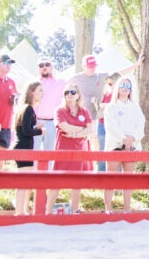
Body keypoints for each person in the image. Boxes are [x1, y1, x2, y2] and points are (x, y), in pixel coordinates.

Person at [102, 77, 144, 213]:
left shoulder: (135, 107)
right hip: (115, 145)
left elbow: (140, 125)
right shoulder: (111, 107)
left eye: (128, 85)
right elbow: (111, 126)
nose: (125, 88)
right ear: (117, 88)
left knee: (128, 178)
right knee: (111, 178)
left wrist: (132, 139)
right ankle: (108, 209)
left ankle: (127, 208)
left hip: (131, 146)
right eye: (122, 85)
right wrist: (123, 139)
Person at [52, 81, 94, 214]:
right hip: (63, 149)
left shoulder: (84, 111)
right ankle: (47, 211)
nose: (69, 95)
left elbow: (91, 129)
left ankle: (74, 210)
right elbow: (64, 127)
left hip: (80, 150)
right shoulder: (60, 110)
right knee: (57, 181)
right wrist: (82, 129)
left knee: (77, 182)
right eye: (66, 92)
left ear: (78, 95)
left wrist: (75, 134)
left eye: (72, 92)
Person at [12, 81, 44, 216]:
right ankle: (19, 212)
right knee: (22, 183)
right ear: (32, 93)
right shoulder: (28, 108)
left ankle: (23, 210)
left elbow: (24, 129)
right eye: (40, 91)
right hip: (23, 147)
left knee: (25, 182)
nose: (42, 94)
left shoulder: (25, 108)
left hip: (25, 146)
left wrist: (36, 129)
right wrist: (40, 132)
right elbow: (26, 131)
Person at [0, 53, 19, 153]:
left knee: (1, 157)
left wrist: (15, 99)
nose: (8, 65)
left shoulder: (11, 82)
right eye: (6, 62)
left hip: (7, 125)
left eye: (10, 63)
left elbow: (15, 101)